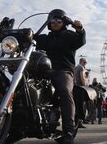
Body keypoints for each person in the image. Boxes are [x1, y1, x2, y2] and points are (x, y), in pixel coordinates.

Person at [34, 9, 85, 144]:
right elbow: (28, 39)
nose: (55, 23)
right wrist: (6, 33)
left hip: (63, 71)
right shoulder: (44, 38)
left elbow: (80, 40)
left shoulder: (69, 36)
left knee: (64, 90)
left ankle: (68, 130)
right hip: (44, 72)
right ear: (48, 23)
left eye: (59, 21)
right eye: (53, 21)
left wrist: (79, 29)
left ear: (63, 23)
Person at [74, 57, 88, 128]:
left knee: (76, 105)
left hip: (74, 87)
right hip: (80, 88)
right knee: (81, 106)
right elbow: (82, 78)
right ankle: (79, 121)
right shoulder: (81, 68)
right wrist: (85, 84)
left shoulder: (75, 68)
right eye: (85, 63)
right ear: (83, 62)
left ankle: (76, 121)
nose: (86, 64)